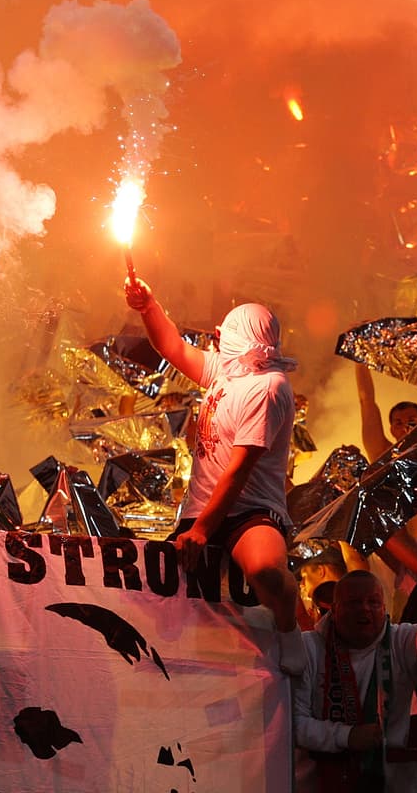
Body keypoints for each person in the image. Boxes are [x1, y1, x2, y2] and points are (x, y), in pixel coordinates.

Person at [123, 275, 306, 674]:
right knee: (162, 601)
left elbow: (240, 470)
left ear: (244, 337)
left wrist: (204, 530)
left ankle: (291, 629)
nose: (217, 335)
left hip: (249, 510)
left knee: (263, 572)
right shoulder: (228, 370)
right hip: (201, 511)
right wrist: (148, 307)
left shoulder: (269, 386)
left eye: (227, 331)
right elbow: (170, 346)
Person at [292, 569, 417, 791]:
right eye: (354, 602)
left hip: (386, 783)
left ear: (384, 608)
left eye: (373, 602)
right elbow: (295, 724)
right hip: (317, 783)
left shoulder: (401, 641)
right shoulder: (308, 648)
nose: (364, 608)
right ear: (334, 610)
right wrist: (347, 736)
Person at [355, 364, 417, 462]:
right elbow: (366, 400)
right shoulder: (383, 455)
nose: (405, 428)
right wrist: (361, 359)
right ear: (392, 430)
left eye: (411, 421)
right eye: (399, 423)